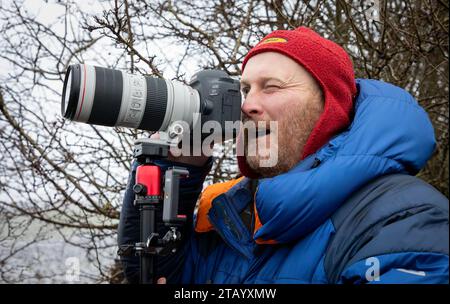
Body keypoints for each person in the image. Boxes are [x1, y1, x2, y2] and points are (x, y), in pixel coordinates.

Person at [118, 27, 449, 284]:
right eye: (244, 89)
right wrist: (179, 162)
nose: (247, 105)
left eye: (271, 87)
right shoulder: (231, 215)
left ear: (329, 109)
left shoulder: (404, 218)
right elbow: (157, 271)